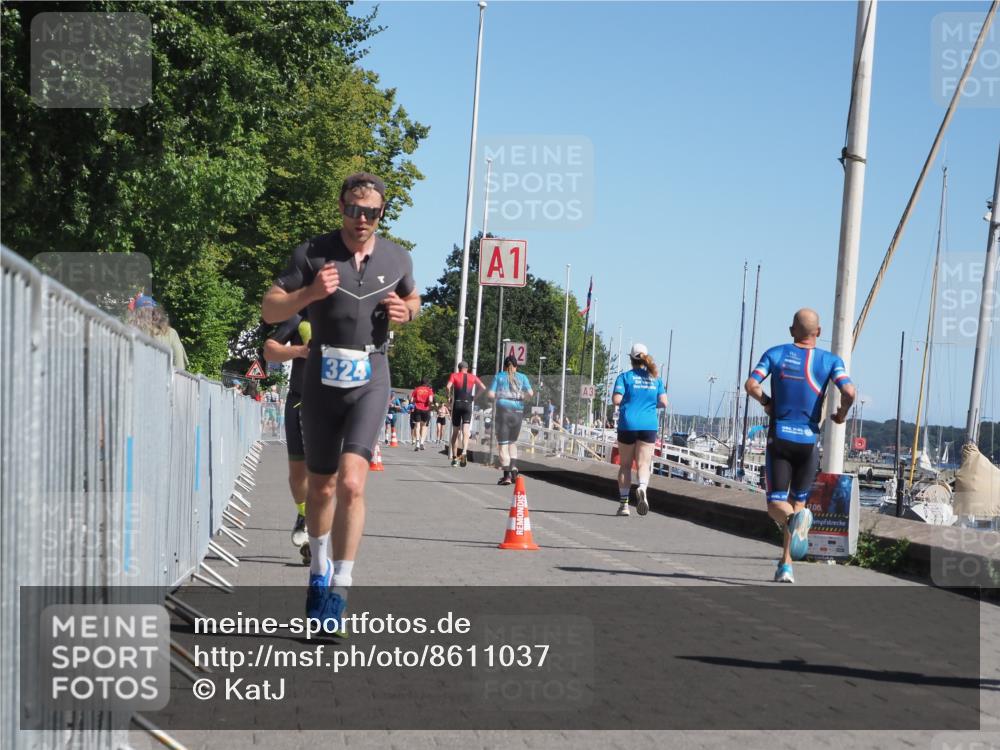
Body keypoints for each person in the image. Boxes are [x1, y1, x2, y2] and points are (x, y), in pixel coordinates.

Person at [261, 172, 420, 631]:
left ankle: (340, 588)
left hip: (371, 375)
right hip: (320, 380)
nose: (361, 219)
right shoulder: (313, 252)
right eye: (353, 209)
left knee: (353, 482)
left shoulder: (397, 256)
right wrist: (309, 294)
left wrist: (406, 312)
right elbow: (270, 309)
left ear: (381, 214)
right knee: (322, 487)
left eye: (370, 212)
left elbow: (415, 299)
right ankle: (317, 573)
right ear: (340, 207)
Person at [744, 308, 855, 584]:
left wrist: (767, 403)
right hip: (808, 442)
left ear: (792, 330)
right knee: (797, 506)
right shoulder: (831, 360)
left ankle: (793, 532)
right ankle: (786, 565)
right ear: (818, 333)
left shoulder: (775, 353)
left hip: (780, 437)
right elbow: (850, 392)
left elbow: (751, 385)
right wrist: (841, 415)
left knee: (776, 506)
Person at [263, 311, 311, 556]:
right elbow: (270, 351)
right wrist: (299, 351)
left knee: (326, 474)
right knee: (297, 475)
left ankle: (318, 538)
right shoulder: (297, 318)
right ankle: (303, 514)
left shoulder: (343, 314)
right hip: (298, 400)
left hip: (330, 404)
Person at [612, 343, 668, 517]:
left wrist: (630, 401)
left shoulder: (624, 377)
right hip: (648, 425)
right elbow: (664, 403)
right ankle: (642, 487)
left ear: (631, 359)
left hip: (628, 424)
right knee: (644, 464)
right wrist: (650, 404)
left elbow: (616, 400)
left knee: (626, 466)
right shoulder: (656, 379)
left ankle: (624, 506)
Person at [488, 355, 533, 485]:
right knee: (512, 443)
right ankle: (513, 468)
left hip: (503, 414)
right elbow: (530, 393)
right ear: (516, 366)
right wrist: (520, 396)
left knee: (502, 446)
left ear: (504, 366)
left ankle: (507, 476)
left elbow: (491, 394)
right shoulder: (523, 377)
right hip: (518, 413)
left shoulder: (499, 376)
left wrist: (501, 396)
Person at [126, 293, 189, 370]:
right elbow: (179, 360)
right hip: (164, 378)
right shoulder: (171, 332)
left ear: (135, 314)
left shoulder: (130, 332)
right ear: (157, 313)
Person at [446, 361, 487, 467]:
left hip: (457, 404)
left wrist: (449, 397)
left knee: (455, 432)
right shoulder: (472, 377)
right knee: (465, 431)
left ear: (459, 368)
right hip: (468, 405)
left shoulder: (454, 375)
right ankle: (464, 452)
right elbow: (483, 387)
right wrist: (474, 397)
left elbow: (448, 386)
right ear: (467, 368)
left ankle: (454, 458)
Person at [409, 379, 434, 450]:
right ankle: (422, 443)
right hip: (425, 409)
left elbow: (411, 400)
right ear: (427, 383)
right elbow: (431, 400)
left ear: (421, 383)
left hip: (417, 408)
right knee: (424, 426)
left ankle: (417, 443)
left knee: (417, 426)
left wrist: (416, 401)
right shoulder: (429, 390)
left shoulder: (416, 389)